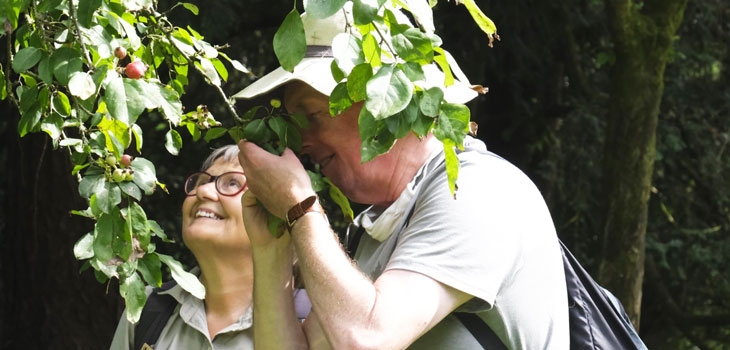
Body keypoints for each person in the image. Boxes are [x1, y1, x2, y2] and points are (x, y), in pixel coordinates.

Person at [234, 4, 569, 349]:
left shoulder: (479, 189)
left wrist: (300, 208)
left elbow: (367, 339)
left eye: (314, 114)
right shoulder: (375, 230)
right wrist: (270, 249)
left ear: (389, 100)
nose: (300, 142)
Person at [109, 145, 310, 350]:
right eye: (202, 181)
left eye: (232, 183)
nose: (203, 191)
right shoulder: (147, 309)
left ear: (278, 218)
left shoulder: (313, 324)